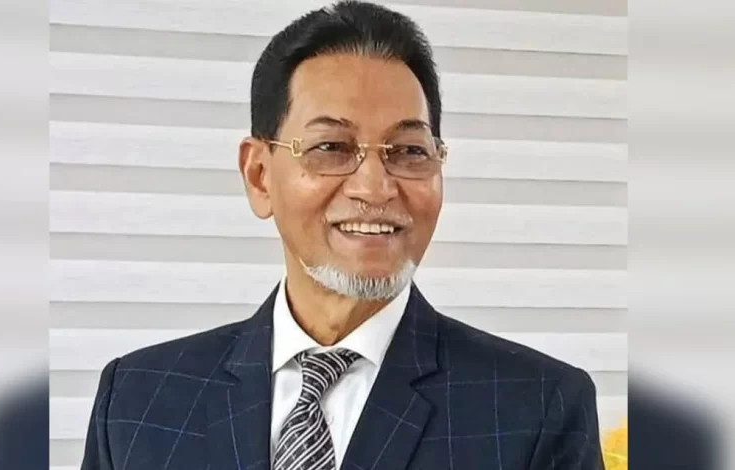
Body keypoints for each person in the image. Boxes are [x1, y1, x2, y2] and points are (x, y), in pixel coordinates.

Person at [81, 1, 604, 469]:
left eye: (409, 151)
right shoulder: (138, 402)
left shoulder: (536, 408)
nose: (375, 187)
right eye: (331, 147)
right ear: (259, 176)